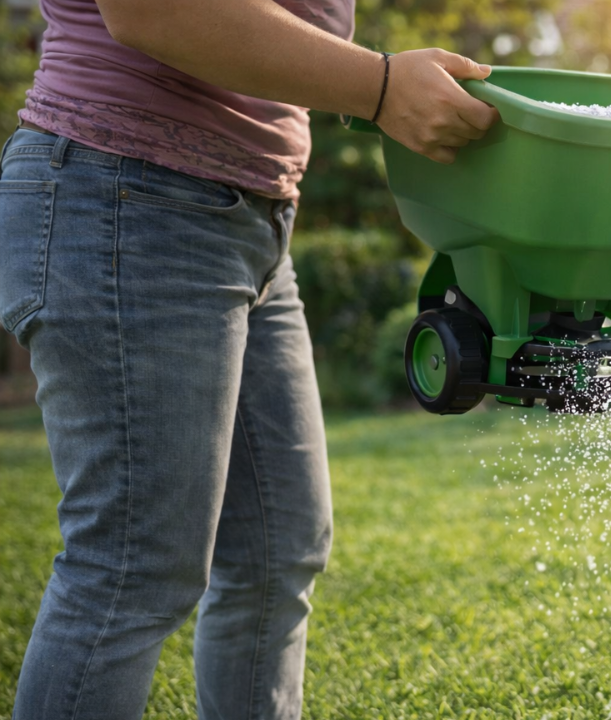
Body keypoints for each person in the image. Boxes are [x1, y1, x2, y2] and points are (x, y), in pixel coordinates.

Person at [0, 0, 498, 716]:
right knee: (132, 571)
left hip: (252, 217)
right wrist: (383, 88)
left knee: (276, 555)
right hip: (128, 192)